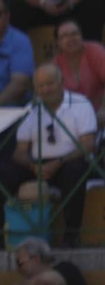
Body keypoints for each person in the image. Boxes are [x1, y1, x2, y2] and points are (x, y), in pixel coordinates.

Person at [11, 64, 96, 249]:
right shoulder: (31, 108)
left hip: (70, 160)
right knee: (4, 172)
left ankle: (71, 236)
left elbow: (89, 143)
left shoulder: (81, 103)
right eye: (40, 86)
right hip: (38, 165)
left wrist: (59, 162)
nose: (45, 89)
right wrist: (34, 167)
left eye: (50, 83)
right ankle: (6, 233)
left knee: (76, 170)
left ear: (62, 82)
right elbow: (20, 151)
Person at [53, 19, 105, 127]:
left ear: (81, 35)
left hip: (100, 113)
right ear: (57, 42)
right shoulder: (55, 64)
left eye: (75, 34)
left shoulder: (95, 51)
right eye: (65, 36)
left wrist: (103, 110)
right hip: (71, 121)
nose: (71, 39)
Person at [10, 237, 87, 285]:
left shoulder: (65, 268)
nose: (18, 269)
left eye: (20, 263)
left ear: (36, 259)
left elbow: (47, 283)